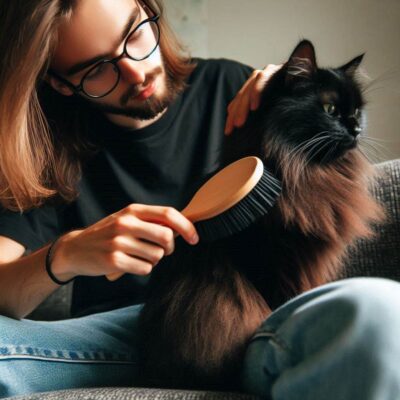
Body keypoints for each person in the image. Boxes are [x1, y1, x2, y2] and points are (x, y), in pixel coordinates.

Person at [0, 0, 399, 398]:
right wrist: (65, 254)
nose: (135, 71)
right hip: (125, 333)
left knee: (378, 310)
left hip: (254, 319)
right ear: (60, 83)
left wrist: (288, 97)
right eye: (97, 69)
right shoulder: (44, 151)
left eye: (134, 35)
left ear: (147, 9)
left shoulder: (233, 89)